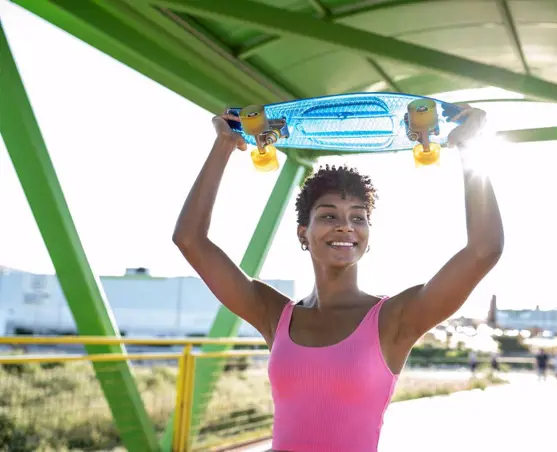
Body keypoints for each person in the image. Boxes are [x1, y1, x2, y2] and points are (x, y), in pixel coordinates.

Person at [172, 102, 504, 452]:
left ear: (367, 233)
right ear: (304, 233)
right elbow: (190, 239)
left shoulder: (396, 319)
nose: (346, 225)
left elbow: (484, 249)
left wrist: (469, 148)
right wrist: (223, 144)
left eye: (358, 217)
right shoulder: (275, 314)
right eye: (329, 216)